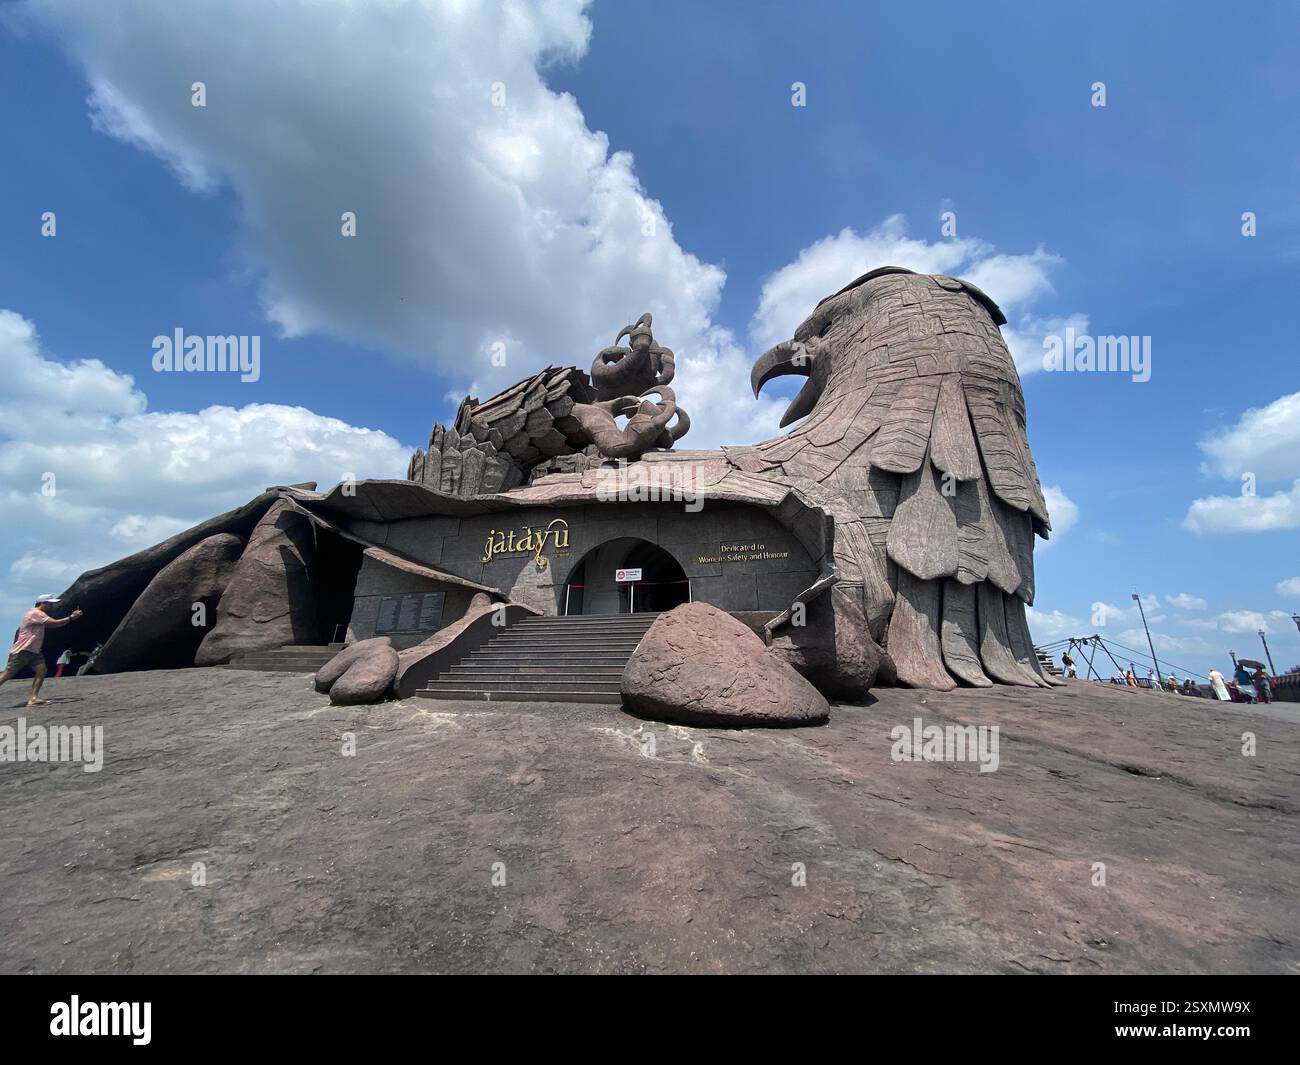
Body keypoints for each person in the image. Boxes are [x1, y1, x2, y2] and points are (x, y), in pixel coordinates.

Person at [0, 596, 84, 707]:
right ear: (43, 603)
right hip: (23, 650)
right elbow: (54, 623)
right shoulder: (36, 613)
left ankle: (33, 698)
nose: (52, 606)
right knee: (7, 674)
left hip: (34, 651)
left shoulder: (37, 614)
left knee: (41, 670)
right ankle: (33, 698)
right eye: (50, 604)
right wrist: (71, 618)